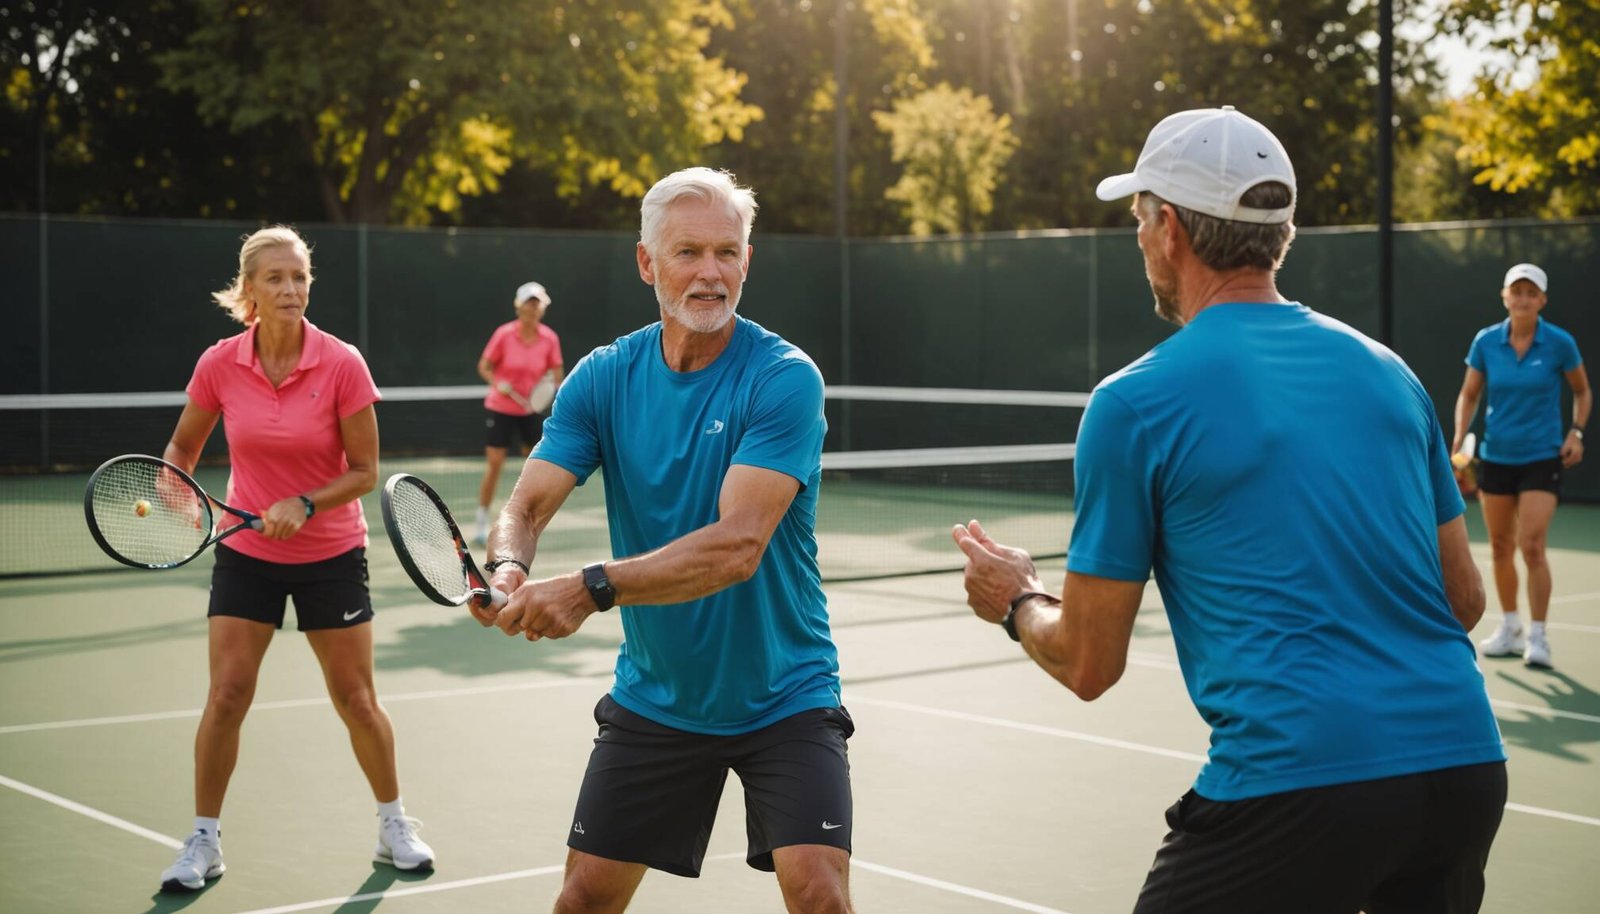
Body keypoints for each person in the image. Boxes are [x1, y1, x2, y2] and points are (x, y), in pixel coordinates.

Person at [953, 107, 1506, 913]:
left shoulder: (1133, 403)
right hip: (1464, 768)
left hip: (1296, 786)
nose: (1139, 237)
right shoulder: (1392, 374)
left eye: (1140, 218)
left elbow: (1088, 663)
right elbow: (1463, 601)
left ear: (1170, 230)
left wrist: (1018, 600)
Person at [473, 167, 853, 913]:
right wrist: (508, 566)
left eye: (727, 252)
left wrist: (590, 588)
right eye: (688, 252)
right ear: (647, 263)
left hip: (786, 697)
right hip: (658, 698)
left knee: (820, 895)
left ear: (747, 260)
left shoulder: (784, 378)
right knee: (583, 899)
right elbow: (526, 505)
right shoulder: (602, 378)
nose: (711, 272)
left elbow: (737, 546)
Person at [156, 226, 434, 893]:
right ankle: (203, 840)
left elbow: (365, 470)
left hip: (331, 553)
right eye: (275, 278)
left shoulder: (342, 363)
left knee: (357, 699)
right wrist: (179, 493)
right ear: (249, 289)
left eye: (300, 276)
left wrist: (306, 503)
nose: (290, 289)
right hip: (245, 551)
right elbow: (181, 450)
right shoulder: (220, 363)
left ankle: (393, 824)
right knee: (227, 694)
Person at [1452, 263, 1589, 669]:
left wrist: (1576, 432)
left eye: (1531, 293)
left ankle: (1538, 635)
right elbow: (1470, 394)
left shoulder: (1560, 343)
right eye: (1517, 291)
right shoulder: (1486, 341)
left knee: (1531, 545)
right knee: (1499, 546)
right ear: (1505, 296)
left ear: (1542, 300)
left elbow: (1582, 391)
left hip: (1542, 457)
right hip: (1496, 456)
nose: (1523, 299)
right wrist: (1458, 439)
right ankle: (1511, 626)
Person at [474, 281, 565, 545]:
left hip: (530, 411)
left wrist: (545, 392)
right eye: (529, 303)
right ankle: (481, 522)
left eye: (537, 304)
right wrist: (497, 382)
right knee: (495, 465)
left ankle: (528, 524)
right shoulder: (503, 335)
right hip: (501, 408)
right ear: (519, 307)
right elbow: (484, 366)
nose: (533, 308)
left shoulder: (549, 338)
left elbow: (557, 376)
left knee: (535, 468)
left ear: (542, 309)